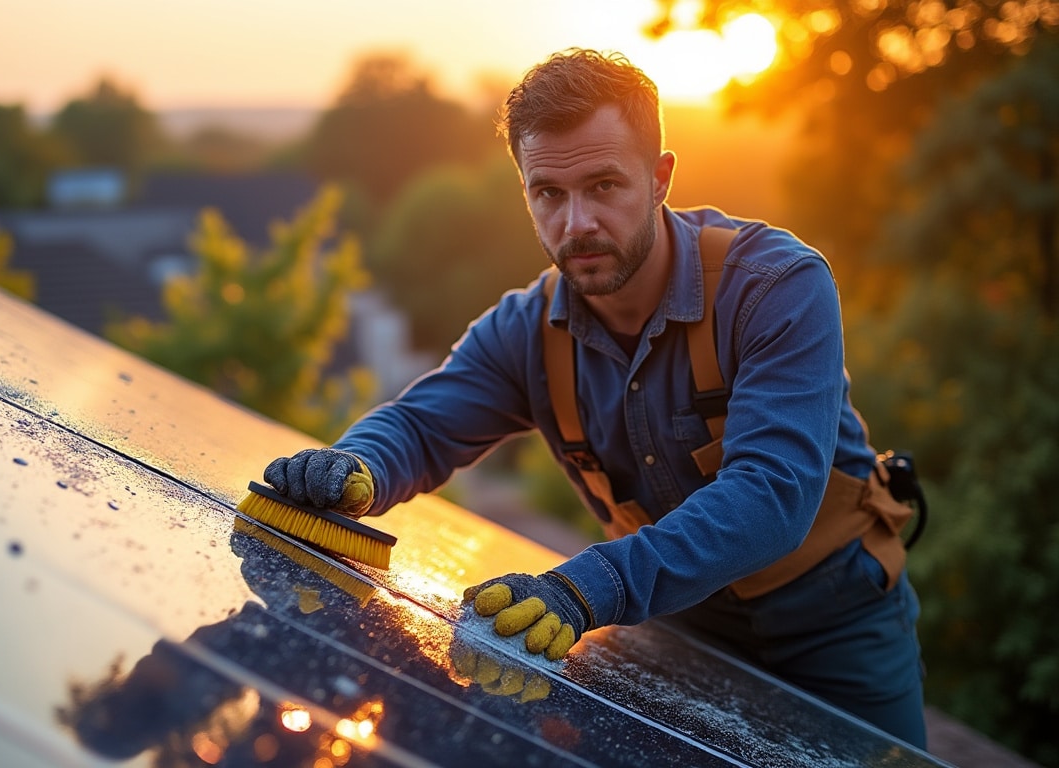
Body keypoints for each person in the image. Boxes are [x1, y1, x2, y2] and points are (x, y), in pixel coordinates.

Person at [261, 48, 926, 748]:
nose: (576, 222)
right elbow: (421, 427)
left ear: (661, 177)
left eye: (604, 185)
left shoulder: (775, 287)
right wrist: (357, 469)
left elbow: (773, 494)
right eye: (548, 192)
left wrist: (588, 589)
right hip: (679, 634)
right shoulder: (524, 332)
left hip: (840, 632)